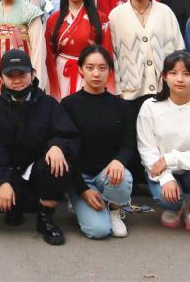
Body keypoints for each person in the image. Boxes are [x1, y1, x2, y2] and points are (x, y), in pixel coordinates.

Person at [0, 49, 78, 246]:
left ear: (32, 74)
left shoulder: (49, 104)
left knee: (60, 160)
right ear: (1, 78)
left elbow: (68, 134)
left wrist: (57, 145)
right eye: (10, 75)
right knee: (4, 201)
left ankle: (46, 218)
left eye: (22, 74)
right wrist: (2, 181)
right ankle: (15, 206)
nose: (17, 80)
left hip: (38, 173)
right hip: (10, 173)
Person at [137, 51, 190, 242]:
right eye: (174, 73)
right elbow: (147, 149)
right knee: (167, 199)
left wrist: (170, 159)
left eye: (187, 74)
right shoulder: (150, 106)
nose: (180, 79)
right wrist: (166, 178)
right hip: (162, 171)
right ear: (164, 76)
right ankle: (176, 208)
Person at [61, 45, 134, 239]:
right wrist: (83, 190)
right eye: (90, 67)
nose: (96, 73)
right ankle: (78, 203)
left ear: (110, 71)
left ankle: (114, 209)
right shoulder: (68, 105)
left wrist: (119, 160)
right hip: (80, 177)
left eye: (102, 68)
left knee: (123, 177)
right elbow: (66, 151)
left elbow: (129, 144)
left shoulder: (120, 105)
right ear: (80, 69)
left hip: (108, 174)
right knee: (98, 231)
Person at [109, 0, 184, 109]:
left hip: (164, 89)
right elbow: (113, 54)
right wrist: (117, 89)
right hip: (129, 91)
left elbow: (179, 49)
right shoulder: (116, 15)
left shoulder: (165, 12)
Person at [45, 0, 114, 101]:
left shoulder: (101, 18)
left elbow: (107, 53)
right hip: (61, 72)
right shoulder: (53, 19)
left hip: (90, 72)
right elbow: (49, 53)